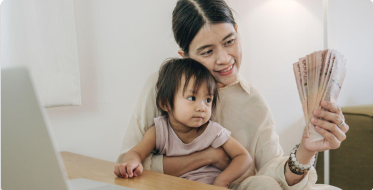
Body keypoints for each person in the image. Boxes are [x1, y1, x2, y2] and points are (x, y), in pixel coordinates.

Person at [116, 0, 349, 189]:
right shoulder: (162, 86)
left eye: (229, 41)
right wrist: (207, 157)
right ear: (185, 56)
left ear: (237, 31)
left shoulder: (252, 100)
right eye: (207, 51)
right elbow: (130, 159)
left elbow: (272, 173)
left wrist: (306, 151)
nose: (225, 59)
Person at [114, 58, 253, 187]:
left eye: (208, 100)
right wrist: (131, 162)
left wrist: (222, 180)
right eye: (192, 97)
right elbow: (136, 152)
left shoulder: (213, 131)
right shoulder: (159, 131)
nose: (202, 107)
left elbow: (244, 157)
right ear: (165, 103)